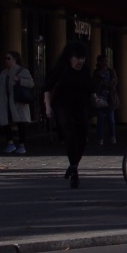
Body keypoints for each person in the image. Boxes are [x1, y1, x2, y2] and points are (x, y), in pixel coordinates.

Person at [43, 41, 93, 188]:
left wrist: (96, 98)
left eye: (83, 58)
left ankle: (73, 166)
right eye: (77, 58)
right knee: (70, 136)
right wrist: (48, 107)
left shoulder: (85, 70)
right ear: (70, 57)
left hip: (81, 107)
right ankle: (74, 172)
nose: (80, 61)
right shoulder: (60, 69)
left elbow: (90, 87)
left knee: (82, 139)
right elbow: (47, 87)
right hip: (62, 107)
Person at [0, 50, 35, 154]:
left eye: (9, 58)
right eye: (5, 58)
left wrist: (20, 80)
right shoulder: (3, 73)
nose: (6, 61)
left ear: (14, 59)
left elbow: (31, 83)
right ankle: (10, 143)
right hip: (5, 102)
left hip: (18, 101)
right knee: (5, 122)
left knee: (20, 123)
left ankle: (22, 145)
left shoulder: (22, 71)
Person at [92, 54, 118, 146]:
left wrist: (104, 83)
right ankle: (100, 138)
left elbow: (114, 83)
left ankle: (112, 136)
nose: (105, 63)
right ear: (99, 62)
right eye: (103, 61)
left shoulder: (111, 72)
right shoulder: (96, 73)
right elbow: (95, 85)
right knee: (100, 120)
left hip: (110, 98)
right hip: (100, 99)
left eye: (106, 61)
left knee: (111, 120)